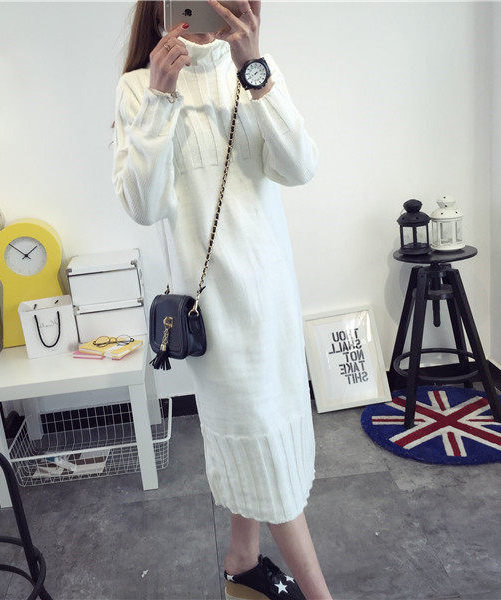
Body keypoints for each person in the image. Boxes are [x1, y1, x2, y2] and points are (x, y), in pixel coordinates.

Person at [112, 2, 332, 599]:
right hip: (216, 312)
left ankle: (242, 561)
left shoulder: (252, 69)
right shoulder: (138, 89)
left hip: (273, 299)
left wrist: (253, 66)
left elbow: (300, 167)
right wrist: (160, 98)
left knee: (266, 432)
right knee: (259, 443)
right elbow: (144, 206)